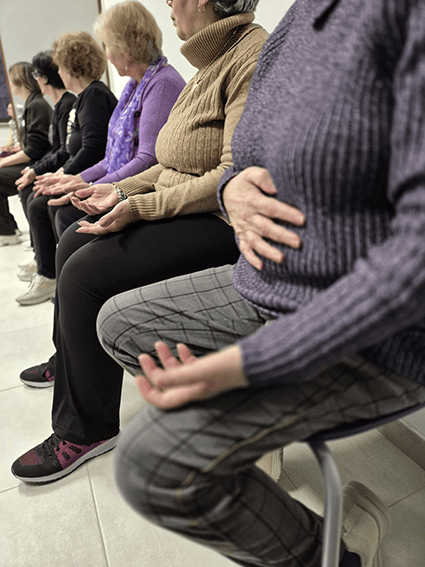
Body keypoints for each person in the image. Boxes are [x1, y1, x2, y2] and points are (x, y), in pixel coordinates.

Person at [68, 0, 425, 566]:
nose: (168, 3)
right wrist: (231, 188)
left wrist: (249, 366)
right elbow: (239, 161)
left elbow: (415, 262)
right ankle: (257, 450)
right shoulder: (301, 20)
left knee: (153, 461)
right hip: (271, 281)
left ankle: (341, 555)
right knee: (115, 321)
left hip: (378, 333)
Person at [11, 0, 268, 482]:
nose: (168, 2)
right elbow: (165, 163)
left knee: (84, 274)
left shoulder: (250, 57)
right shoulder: (207, 64)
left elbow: (231, 177)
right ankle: (74, 369)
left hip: (219, 223)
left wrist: (138, 205)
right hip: (182, 206)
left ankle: (85, 429)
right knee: (72, 243)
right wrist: (118, 190)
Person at [16, 1, 185, 306]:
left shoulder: (161, 85)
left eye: (108, 46)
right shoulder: (135, 87)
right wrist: (77, 179)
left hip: (145, 190)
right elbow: (110, 158)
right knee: (60, 207)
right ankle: (70, 291)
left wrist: (92, 186)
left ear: (126, 50)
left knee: (65, 213)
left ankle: (82, 291)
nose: (105, 54)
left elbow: (148, 160)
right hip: (128, 183)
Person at [14, 32, 117, 304]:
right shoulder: (85, 97)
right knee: (38, 198)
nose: (58, 72)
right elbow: (70, 150)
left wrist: (64, 175)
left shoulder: (94, 95)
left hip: (97, 176)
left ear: (72, 67)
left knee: (43, 204)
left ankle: (56, 276)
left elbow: (92, 150)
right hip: (85, 172)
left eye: (60, 66)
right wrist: (56, 173)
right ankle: (50, 269)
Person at [12, 51, 76, 295]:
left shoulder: (67, 104)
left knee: (36, 201)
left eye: (37, 75)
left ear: (45, 78)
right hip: (59, 166)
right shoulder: (59, 105)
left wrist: (47, 173)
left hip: (72, 170)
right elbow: (56, 150)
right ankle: (42, 257)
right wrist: (35, 170)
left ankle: (48, 272)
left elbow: (65, 152)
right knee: (27, 191)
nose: (35, 80)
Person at [0, 62, 52, 246]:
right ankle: (9, 228)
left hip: (37, 164)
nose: (9, 84)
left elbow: (32, 151)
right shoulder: (32, 104)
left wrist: (2, 163)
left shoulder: (36, 105)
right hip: (35, 160)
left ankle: (7, 231)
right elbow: (33, 144)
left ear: (20, 81)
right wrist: (15, 151)